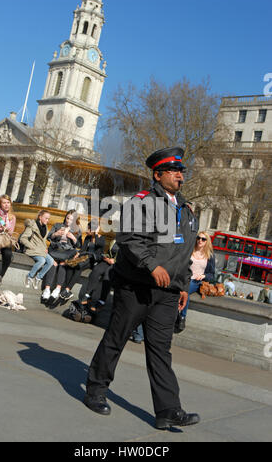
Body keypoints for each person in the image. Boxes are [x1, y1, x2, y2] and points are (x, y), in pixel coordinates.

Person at [83, 146, 200, 430]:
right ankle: (96, 390)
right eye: (174, 172)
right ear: (157, 175)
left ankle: (168, 410)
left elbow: (183, 252)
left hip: (168, 292)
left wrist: (183, 284)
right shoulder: (143, 201)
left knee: (161, 350)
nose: (180, 177)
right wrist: (151, 266)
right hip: (137, 286)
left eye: (181, 172)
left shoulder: (185, 209)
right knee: (117, 337)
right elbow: (130, 239)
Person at [177, 231, 215, 332]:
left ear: (207, 242)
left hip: (196, 281)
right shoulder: (190, 250)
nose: (200, 240)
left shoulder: (209, 256)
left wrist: (204, 275)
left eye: (203, 239)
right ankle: (176, 313)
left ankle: (182, 317)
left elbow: (212, 274)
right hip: (184, 278)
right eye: (198, 238)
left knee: (186, 291)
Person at [42, 210, 82, 301]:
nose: (68, 221)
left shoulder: (77, 230)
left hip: (67, 252)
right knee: (53, 263)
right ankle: (47, 289)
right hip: (56, 249)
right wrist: (56, 234)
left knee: (62, 264)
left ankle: (57, 289)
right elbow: (49, 237)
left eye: (71, 219)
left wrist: (73, 238)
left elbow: (79, 245)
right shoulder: (57, 225)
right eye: (67, 218)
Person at [60, 221, 105, 302]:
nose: (87, 230)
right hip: (84, 258)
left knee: (78, 266)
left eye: (88, 228)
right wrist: (77, 254)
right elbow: (83, 249)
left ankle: (67, 289)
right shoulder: (88, 237)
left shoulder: (101, 238)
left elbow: (99, 245)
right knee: (72, 266)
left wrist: (96, 233)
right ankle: (67, 290)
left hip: (93, 260)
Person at [78, 239, 119, 316]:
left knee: (108, 275)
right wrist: (106, 258)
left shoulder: (128, 243)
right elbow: (107, 253)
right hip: (108, 261)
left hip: (117, 265)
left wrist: (115, 261)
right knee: (96, 270)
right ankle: (87, 295)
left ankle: (102, 301)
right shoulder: (113, 240)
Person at [20, 210, 54, 290]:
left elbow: (43, 241)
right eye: (46, 218)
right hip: (33, 249)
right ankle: (29, 276)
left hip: (41, 250)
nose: (47, 220)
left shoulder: (45, 228)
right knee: (41, 261)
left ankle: (38, 277)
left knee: (51, 261)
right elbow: (23, 238)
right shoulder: (32, 226)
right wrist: (32, 247)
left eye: (48, 219)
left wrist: (45, 248)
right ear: (40, 217)